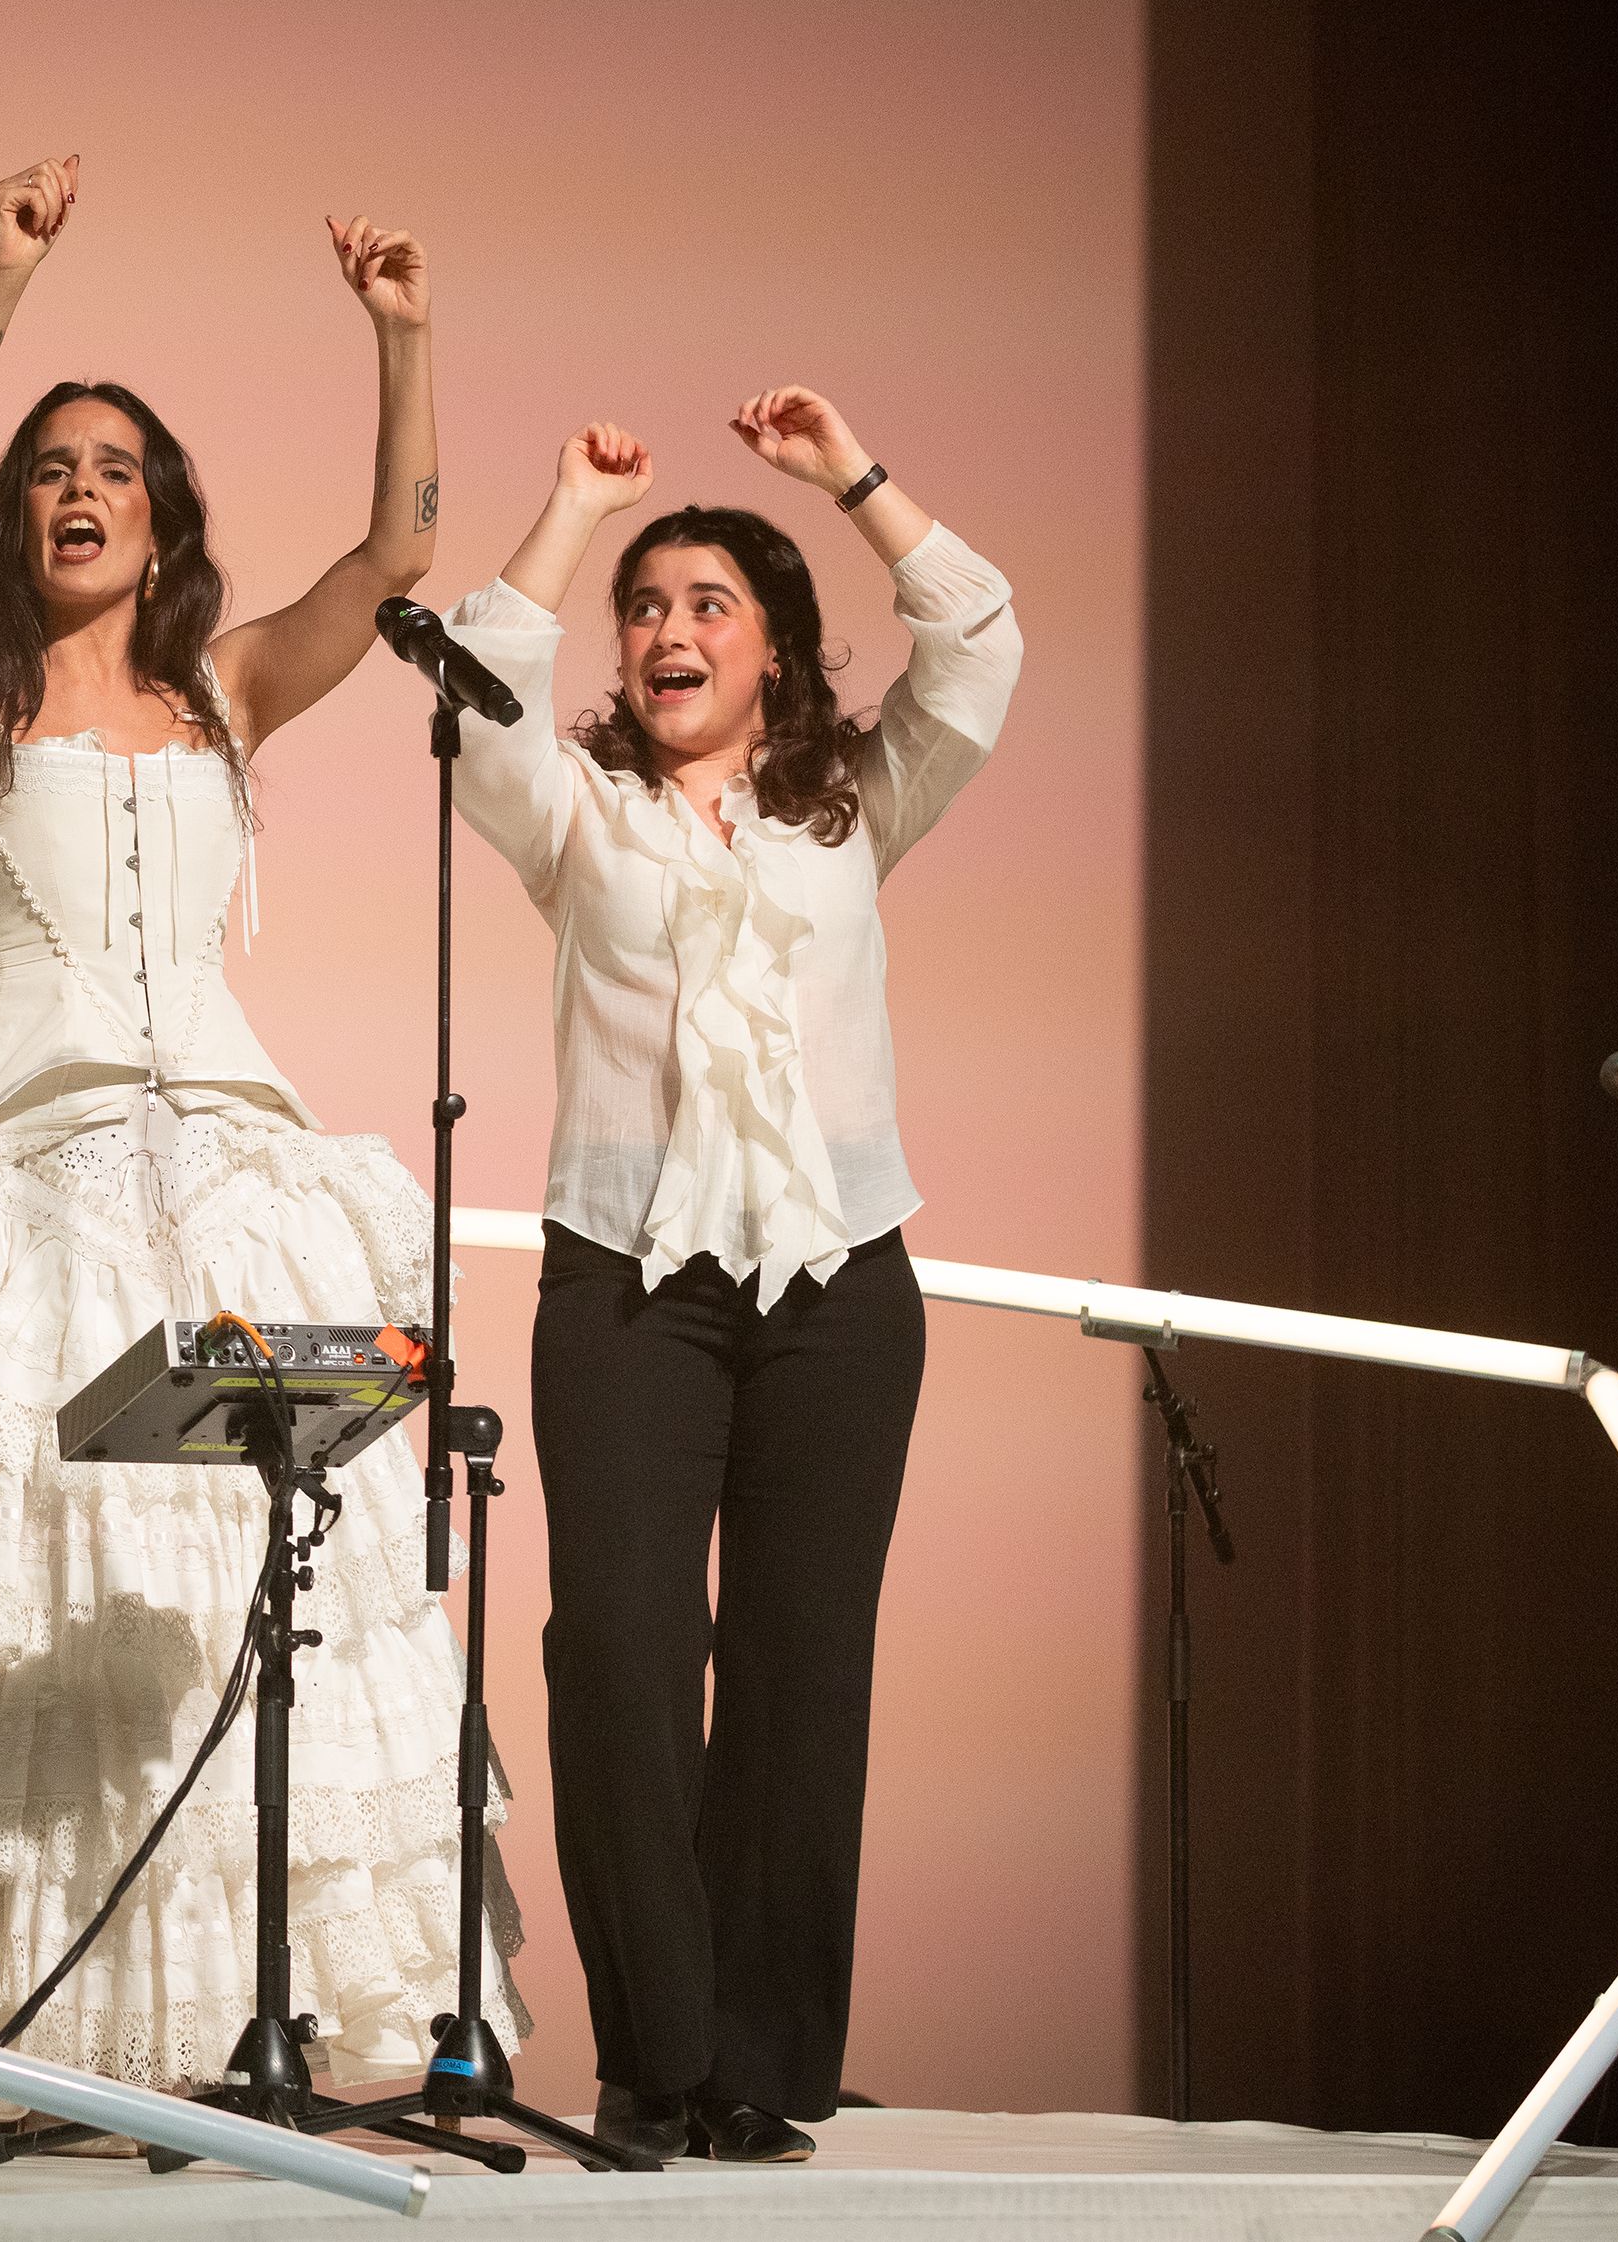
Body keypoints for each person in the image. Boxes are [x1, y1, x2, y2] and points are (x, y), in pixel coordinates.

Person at [0, 155, 524, 2111]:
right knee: (25, 1592)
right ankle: (16, 2034)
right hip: (26, 1192)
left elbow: (391, 564)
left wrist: (400, 332)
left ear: (159, 513)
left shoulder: (227, 692)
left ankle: (237, 2028)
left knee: (257, 1600)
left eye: (108, 467)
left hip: (238, 1187)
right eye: (46, 469)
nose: (72, 490)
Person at [442, 398, 1023, 2163]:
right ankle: (659, 2056)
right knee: (618, 1652)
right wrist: (567, 510)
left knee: (796, 1672)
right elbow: (474, 684)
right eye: (648, 604)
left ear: (775, 648)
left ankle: (764, 2066)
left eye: (709, 601)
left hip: (841, 1284)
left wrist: (848, 477)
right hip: (627, 1282)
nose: (669, 629)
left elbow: (981, 632)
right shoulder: (584, 815)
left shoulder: (858, 804)